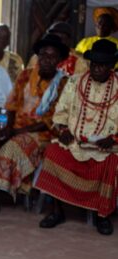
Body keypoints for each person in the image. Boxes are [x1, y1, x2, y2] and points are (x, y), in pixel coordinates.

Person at [0, 34, 69, 212]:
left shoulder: (63, 84)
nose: (46, 60)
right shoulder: (25, 75)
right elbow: (10, 106)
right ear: (37, 56)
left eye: (52, 56)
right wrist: (5, 127)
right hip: (14, 128)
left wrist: (15, 133)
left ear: (59, 60)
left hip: (42, 133)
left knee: (12, 147)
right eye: (43, 55)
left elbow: (50, 121)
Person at [36, 39, 118, 236]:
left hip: (105, 147)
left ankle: (102, 216)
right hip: (74, 142)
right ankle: (57, 211)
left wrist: (114, 139)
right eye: (94, 64)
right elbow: (61, 112)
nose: (97, 69)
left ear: (112, 67)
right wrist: (63, 130)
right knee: (53, 152)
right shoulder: (75, 81)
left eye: (102, 65)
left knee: (111, 162)